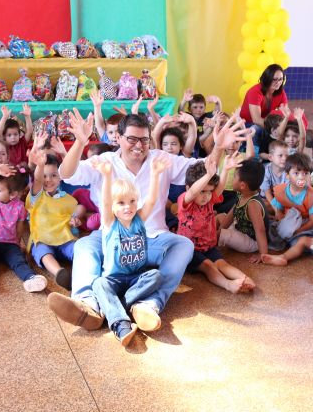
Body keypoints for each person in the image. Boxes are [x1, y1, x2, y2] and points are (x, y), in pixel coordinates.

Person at [46, 110, 248, 333]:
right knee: (84, 245)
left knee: (184, 245)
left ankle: (149, 304)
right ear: (119, 138)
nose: (138, 146)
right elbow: (67, 174)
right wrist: (80, 142)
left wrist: (218, 148)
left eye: (143, 139)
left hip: (152, 238)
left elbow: (203, 169)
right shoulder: (105, 162)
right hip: (111, 237)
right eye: (132, 139)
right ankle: (88, 306)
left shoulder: (161, 159)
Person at [89, 155, 167, 347]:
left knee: (156, 276)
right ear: (114, 207)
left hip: (136, 278)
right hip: (114, 279)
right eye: (122, 203)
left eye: (132, 201)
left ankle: (117, 305)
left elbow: (151, 200)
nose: (128, 207)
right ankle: (121, 324)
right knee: (99, 284)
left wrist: (155, 175)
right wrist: (107, 176)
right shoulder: (110, 223)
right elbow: (106, 202)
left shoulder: (139, 218)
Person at [178, 160, 255, 294]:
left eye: (209, 192)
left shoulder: (209, 199)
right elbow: (193, 192)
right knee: (209, 266)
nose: (206, 196)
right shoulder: (186, 201)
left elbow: (219, 188)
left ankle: (245, 279)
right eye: (202, 192)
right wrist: (208, 175)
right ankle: (228, 285)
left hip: (208, 247)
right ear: (187, 188)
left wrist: (225, 170)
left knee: (222, 264)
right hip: (189, 251)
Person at [0, 165, 48, 293]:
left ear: (13, 194)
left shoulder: (20, 207)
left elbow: (20, 227)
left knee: (18, 262)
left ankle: (30, 278)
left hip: (10, 244)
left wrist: (19, 242)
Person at [26, 150, 80, 290]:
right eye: (45, 176)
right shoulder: (36, 197)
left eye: (53, 175)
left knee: (79, 249)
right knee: (43, 252)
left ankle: (86, 270)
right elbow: (38, 181)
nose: (48, 179)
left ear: (61, 177)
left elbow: (71, 221)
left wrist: (74, 222)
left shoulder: (68, 199)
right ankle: (60, 273)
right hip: (42, 238)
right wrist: (40, 165)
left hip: (64, 238)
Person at [267, 153, 313, 249]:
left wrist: (297, 231)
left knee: (296, 242)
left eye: (305, 173)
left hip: (306, 224)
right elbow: (278, 210)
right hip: (288, 219)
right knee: (270, 228)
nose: (301, 177)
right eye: (296, 173)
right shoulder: (281, 190)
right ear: (287, 175)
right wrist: (281, 218)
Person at [218, 158, 270, 263]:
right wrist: (219, 229)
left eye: (234, 177)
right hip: (239, 229)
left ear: (242, 185)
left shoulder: (252, 204)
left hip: (251, 242)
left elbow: (260, 231)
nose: (231, 179)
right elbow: (231, 213)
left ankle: (203, 246)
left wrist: (263, 255)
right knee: (219, 217)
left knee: (221, 235)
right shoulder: (242, 194)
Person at [240, 64, 292, 145]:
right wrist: (274, 130)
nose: (278, 82)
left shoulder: (281, 92)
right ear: (267, 78)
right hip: (247, 123)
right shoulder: (255, 92)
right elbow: (256, 120)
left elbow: (285, 113)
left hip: (266, 122)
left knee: (288, 131)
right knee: (256, 129)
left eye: (281, 79)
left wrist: (284, 128)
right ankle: (255, 153)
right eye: (274, 79)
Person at [260, 140, 288, 207]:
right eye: (280, 155)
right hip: (267, 198)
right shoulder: (266, 171)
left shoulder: (289, 171)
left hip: (282, 199)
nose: (284, 158)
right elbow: (267, 193)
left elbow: (287, 193)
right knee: (260, 205)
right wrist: (276, 210)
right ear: (270, 157)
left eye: (287, 156)